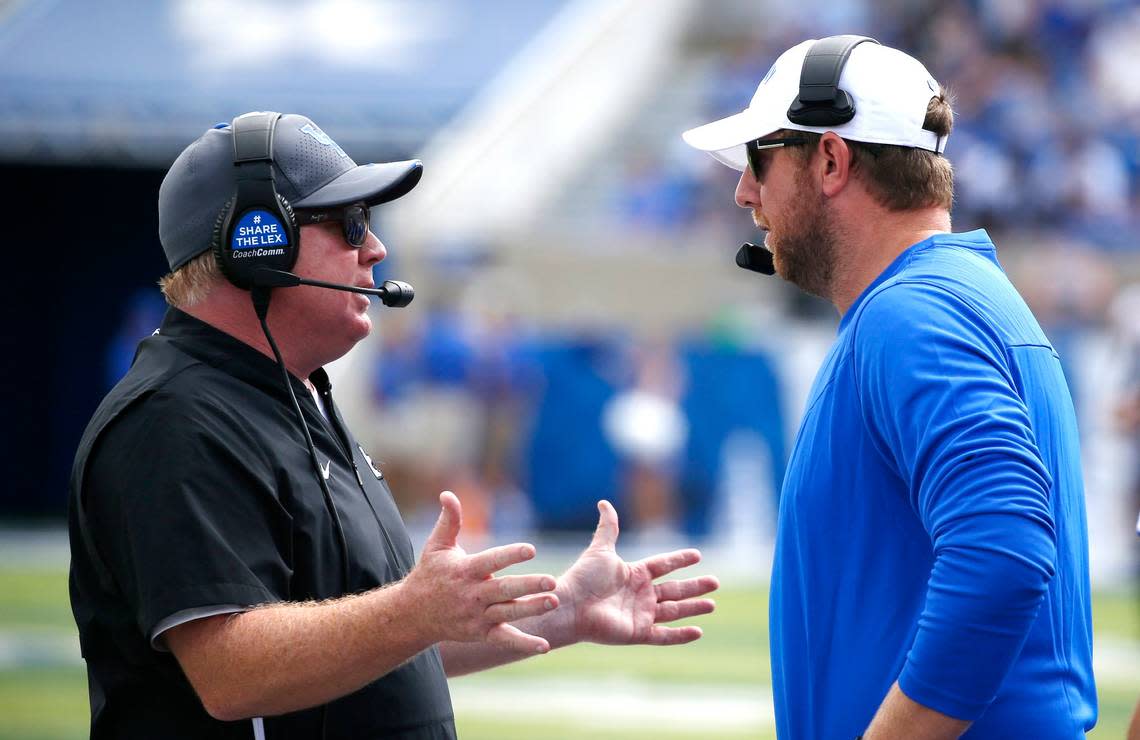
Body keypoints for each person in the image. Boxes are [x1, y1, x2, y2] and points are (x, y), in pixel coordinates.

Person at [68, 112, 719, 739]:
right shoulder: (174, 421)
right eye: (349, 224)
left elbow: (368, 646)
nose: (375, 247)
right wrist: (411, 609)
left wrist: (561, 611)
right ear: (255, 245)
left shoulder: (294, 396)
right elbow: (230, 673)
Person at [683, 36, 1095, 738]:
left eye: (760, 160)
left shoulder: (912, 313)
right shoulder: (957, 298)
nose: (744, 191)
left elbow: (1003, 549)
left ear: (831, 159)